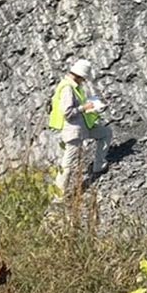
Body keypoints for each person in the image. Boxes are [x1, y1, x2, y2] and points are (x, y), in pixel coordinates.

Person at [48, 59, 112, 197]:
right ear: (79, 75)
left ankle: (98, 165)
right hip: (73, 131)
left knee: (106, 133)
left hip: (83, 127)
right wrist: (85, 108)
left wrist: (91, 106)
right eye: (83, 78)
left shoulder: (73, 86)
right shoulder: (67, 88)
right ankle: (58, 197)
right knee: (67, 164)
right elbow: (68, 112)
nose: (83, 81)